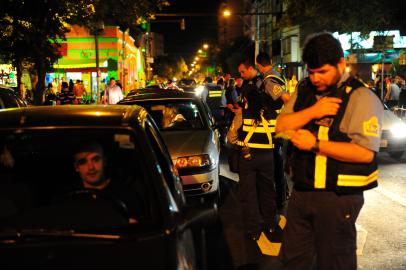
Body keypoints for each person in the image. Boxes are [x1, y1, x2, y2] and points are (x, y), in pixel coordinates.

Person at [276, 32, 383, 270]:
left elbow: (365, 153)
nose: (315, 79)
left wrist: (315, 144)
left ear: (341, 64)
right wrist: (314, 111)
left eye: (322, 71)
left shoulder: (360, 96)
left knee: (335, 262)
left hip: (338, 198)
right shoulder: (305, 91)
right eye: (311, 72)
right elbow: (281, 126)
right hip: (302, 194)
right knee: (293, 261)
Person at [227, 58, 279, 247]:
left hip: (247, 157)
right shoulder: (272, 115)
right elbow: (279, 134)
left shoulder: (244, 114)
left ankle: (253, 230)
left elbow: (231, 139)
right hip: (268, 157)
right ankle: (271, 224)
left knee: (248, 194)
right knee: (267, 190)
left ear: (247, 99)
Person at [256, 52, 291, 211]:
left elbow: (286, 99)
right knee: (276, 163)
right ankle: (281, 195)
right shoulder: (279, 76)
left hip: (273, 129)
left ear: (258, 65)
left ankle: (280, 199)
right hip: (277, 126)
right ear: (270, 61)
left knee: (275, 164)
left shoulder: (269, 80)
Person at [72, 141, 137, 223]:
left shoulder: (125, 194)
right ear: (76, 167)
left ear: (104, 161)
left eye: (96, 159)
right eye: (83, 162)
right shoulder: (69, 198)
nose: (91, 167)